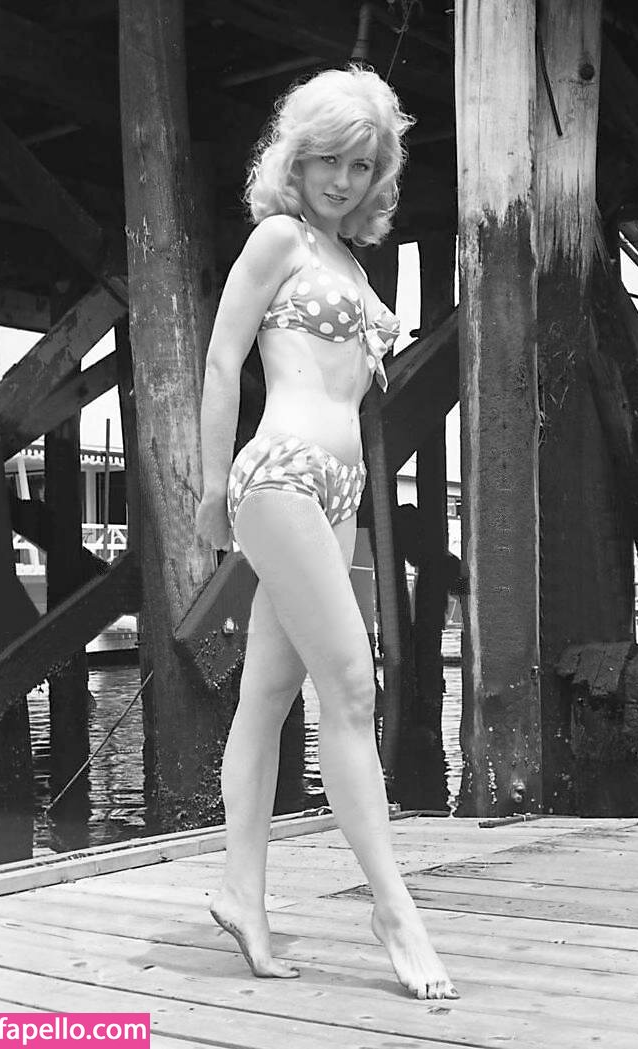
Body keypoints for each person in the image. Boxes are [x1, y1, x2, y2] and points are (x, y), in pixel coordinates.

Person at [195, 66, 458, 1001]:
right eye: (328, 161)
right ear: (296, 161)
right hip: (281, 477)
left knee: (267, 694)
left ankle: (243, 894)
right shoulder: (279, 239)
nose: (343, 181)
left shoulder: (349, 261)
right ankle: (395, 908)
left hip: (338, 493)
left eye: (361, 165)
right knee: (351, 685)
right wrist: (208, 490)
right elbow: (222, 357)